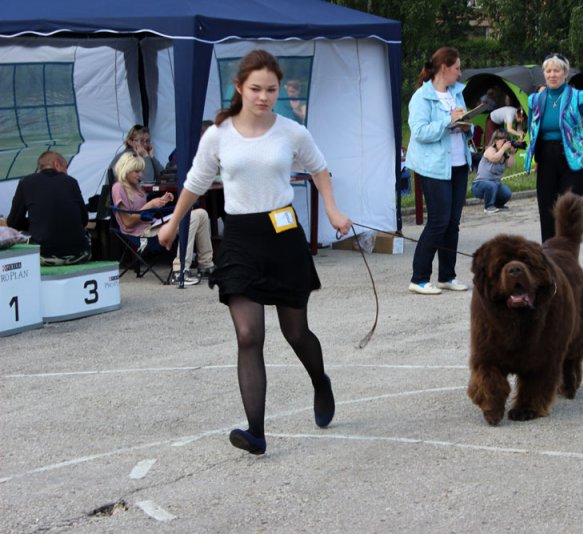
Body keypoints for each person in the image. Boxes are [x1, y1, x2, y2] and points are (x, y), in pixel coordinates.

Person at [158, 50, 351, 455]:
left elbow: (319, 169)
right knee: (249, 335)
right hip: (242, 238)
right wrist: (174, 222)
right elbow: (196, 180)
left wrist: (332, 208)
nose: (264, 97)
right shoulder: (219, 134)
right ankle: (256, 433)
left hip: (283, 236)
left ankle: (320, 381)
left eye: (271, 90)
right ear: (240, 88)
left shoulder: (291, 132)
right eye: (256, 89)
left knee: (295, 332)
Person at [405, 46, 472, 296]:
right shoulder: (421, 97)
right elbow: (420, 132)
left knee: (453, 223)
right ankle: (419, 278)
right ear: (444, 68)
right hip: (433, 167)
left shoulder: (457, 93)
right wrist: (448, 121)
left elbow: (465, 124)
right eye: (457, 68)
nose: (460, 73)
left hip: (458, 164)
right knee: (438, 221)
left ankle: (447, 276)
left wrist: (467, 127)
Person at [523, 53, 583, 242]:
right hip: (545, 157)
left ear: (565, 73)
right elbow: (532, 129)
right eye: (548, 71)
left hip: (574, 160)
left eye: (556, 71)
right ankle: (550, 262)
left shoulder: (578, 97)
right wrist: (535, 157)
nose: (552, 75)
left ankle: (568, 262)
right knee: (547, 211)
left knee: (570, 213)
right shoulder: (535, 100)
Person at [112, 152, 213, 286]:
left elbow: (144, 212)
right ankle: (180, 270)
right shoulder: (118, 187)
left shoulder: (137, 187)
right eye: (136, 171)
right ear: (125, 170)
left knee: (201, 213)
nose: (140, 175)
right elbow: (128, 222)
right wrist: (150, 205)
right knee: (191, 217)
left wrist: (160, 201)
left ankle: (205, 265)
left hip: (151, 225)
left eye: (140, 171)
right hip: (140, 234)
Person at [7, 151, 91, 265]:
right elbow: (84, 220)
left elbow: (13, 222)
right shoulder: (71, 182)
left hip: (44, 255)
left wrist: (36, 223)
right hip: (78, 255)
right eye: (66, 167)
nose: (67, 172)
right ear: (57, 164)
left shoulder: (25, 183)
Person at [472, 129, 515, 214]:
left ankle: (498, 205)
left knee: (507, 193)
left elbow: (510, 165)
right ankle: (488, 206)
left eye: (506, 140)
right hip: (479, 184)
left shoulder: (504, 154)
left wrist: (513, 153)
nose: (504, 143)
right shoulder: (490, 150)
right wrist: (503, 149)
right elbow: (494, 159)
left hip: (495, 184)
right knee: (491, 186)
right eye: (502, 140)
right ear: (495, 140)